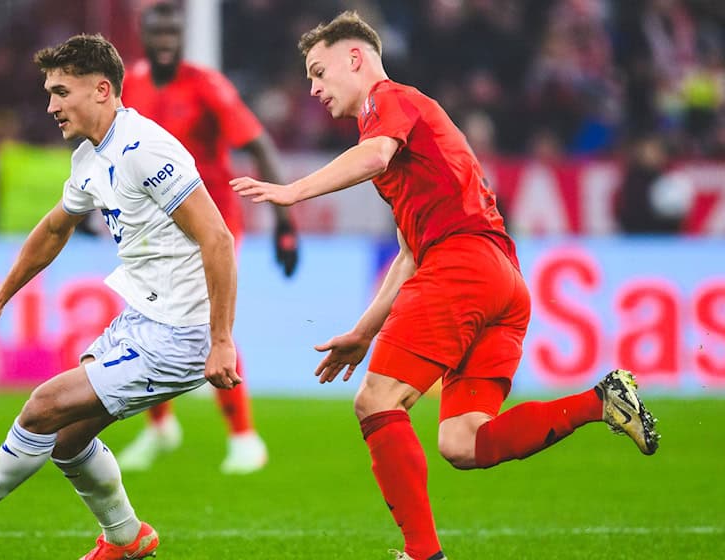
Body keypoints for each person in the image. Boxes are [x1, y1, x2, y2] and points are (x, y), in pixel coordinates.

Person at [232, 12, 660, 560]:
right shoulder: (410, 133)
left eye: (319, 72)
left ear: (355, 59)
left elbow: (375, 157)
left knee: (376, 401)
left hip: (461, 266)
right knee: (464, 442)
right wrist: (364, 333)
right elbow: (410, 255)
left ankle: (422, 555)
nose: (313, 88)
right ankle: (601, 402)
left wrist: (293, 192)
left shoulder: (389, 102)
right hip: (501, 281)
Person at [0, 33, 240, 560]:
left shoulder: (146, 150)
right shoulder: (90, 158)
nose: (50, 106)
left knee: (43, 405)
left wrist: (221, 340)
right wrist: (1, 296)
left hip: (181, 332)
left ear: (102, 89)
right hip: (143, 317)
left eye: (60, 92)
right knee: (67, 439)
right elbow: (54, 228)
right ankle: (126, 537)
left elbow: (218, 238)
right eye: (49, 92)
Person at [116, 0, 297, 474]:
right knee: (147, 317)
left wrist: (284, 221)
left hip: (210, 225)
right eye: (158, 33)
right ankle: (160, 426)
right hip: (153, 228)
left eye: (173, 34)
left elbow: (258, 143)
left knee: (208, 327)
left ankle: (244, 437)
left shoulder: (206, 85)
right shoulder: (129, 84)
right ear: (144, 34)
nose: (165, 42)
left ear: (181, 36)